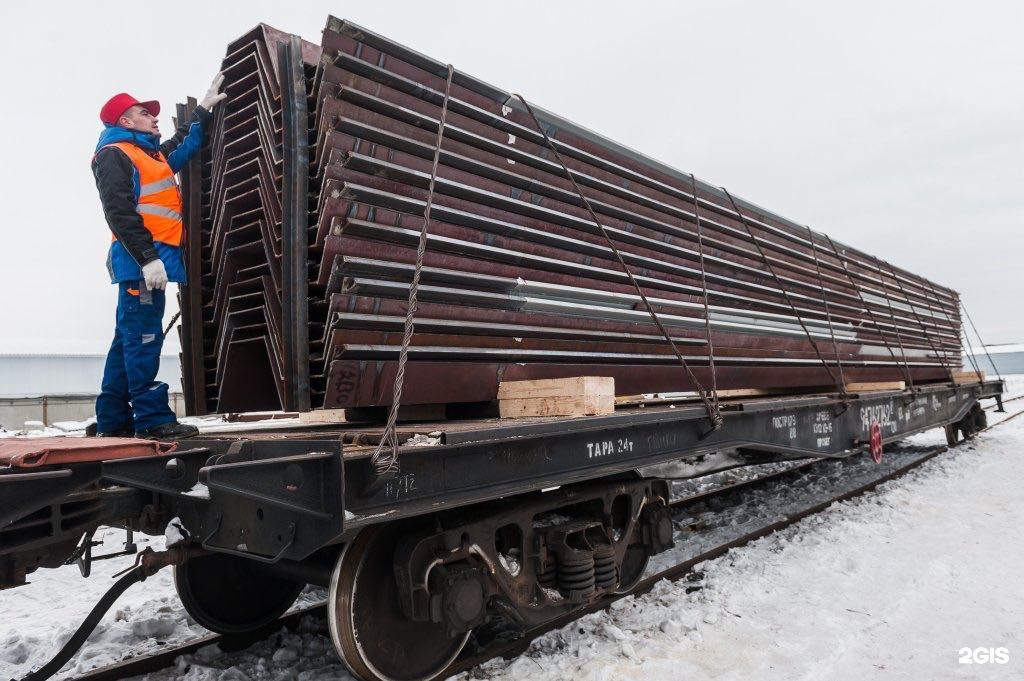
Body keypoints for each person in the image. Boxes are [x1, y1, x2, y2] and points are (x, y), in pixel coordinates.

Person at [91, 75, 226, 439]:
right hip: (143, 265)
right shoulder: (114, 155)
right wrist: (149, 259)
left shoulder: (150, 156)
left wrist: (204, 110)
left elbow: (181, 146)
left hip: (152, 263)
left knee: (127, 340)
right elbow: (119, 212)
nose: (153, 118)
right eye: (144, 113)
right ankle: (151, 418)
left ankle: (113, 420)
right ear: (125, 121)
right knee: (144, 338)